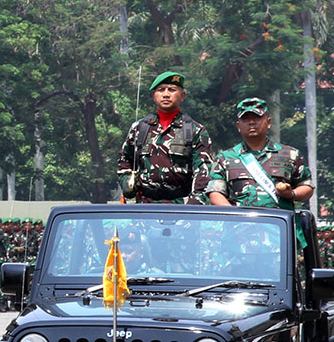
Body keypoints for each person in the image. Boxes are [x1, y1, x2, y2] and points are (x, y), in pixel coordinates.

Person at [207, 98, 315, 246]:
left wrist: (291, 194)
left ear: (268, 122)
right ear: (239, 126)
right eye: (246, 119)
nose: (251, 123)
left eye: (257, 118)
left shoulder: (289, 154)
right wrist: (234, 218)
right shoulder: (225, 158)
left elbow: (307, 187)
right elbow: (215, 193)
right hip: (238, 239)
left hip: (279, 238)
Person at [116, 71, 215, 204]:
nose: (166, 94)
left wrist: (193, 206)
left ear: (182, 96)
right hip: (144, 206)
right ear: (153, 96)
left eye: (172, 90)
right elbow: (124, 159)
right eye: (161, 90)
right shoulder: (140, 128)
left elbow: (203, 172)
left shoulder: (194, 130)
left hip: (180, 205)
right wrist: (127, 183)